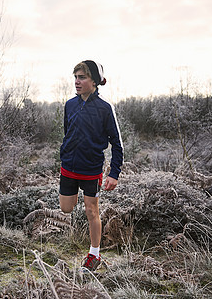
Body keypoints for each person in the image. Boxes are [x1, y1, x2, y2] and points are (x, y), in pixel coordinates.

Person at [59, 60, 124, 271]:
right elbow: (67, 132)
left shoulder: (105, 108)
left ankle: (94, 255)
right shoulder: (70, 104)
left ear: (94, 81)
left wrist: (113, 174)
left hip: (91, 170)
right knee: (66, 208)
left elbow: (117, 144)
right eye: (75, 77)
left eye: (82, 77)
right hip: (68, 167)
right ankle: (81, 200)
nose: (77, 81)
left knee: (91, 211)